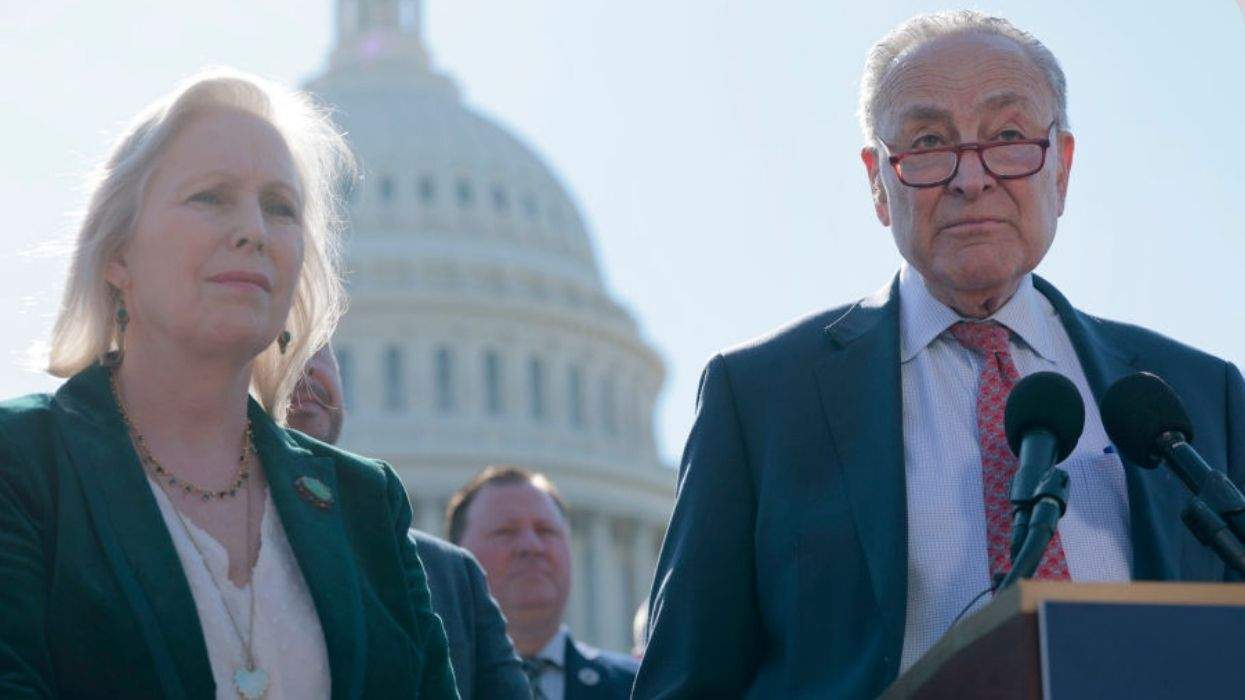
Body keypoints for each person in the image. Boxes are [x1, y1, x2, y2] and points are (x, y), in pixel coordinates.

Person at [633, 10, 1245, 699]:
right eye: (927, 143)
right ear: (876, 182)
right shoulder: (762, 401)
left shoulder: (1196, 397)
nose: (970, 178)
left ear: (1062, 167)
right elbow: (685, 683)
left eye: (1008, 136)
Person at [0, 68, 458, 698]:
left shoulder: (363, 505)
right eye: (211, 196)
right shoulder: (23, 464)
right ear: (118, 255)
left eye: (280, 207)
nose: (255, 231)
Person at [287, 343, 530, 699]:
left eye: (318, 347)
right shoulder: (193, 551)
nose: (304, 367)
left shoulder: (452, 576)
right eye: (281, 344)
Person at [447, 467, 639, 699]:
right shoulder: (425, 689)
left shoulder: (641, 688)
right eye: (505, 532)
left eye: (545, 531)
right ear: (457, 557)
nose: (532, 546)